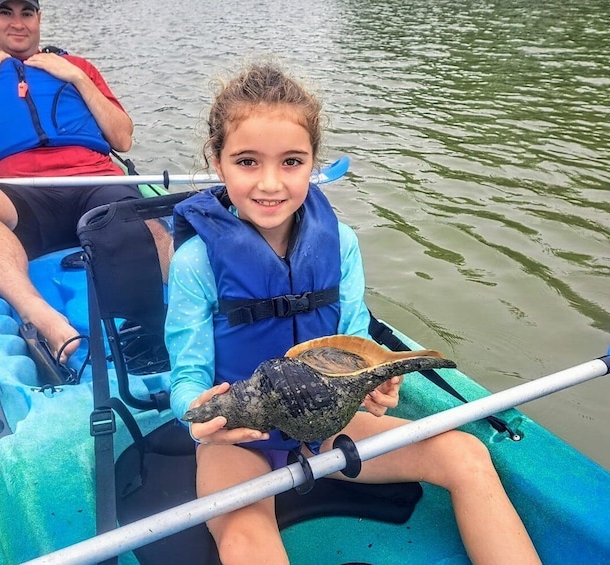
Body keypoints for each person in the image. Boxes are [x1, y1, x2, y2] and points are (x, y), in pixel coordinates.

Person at [165, 63, 542, 565]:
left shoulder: (339, 244)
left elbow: (354, 343)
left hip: (329, 425)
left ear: (314, 163)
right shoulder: (196, 263)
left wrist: (377, 383)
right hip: (242, 438)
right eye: (248, 162)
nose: (271, 183)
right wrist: (202, 422)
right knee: (246, 538)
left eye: (292, 162)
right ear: (218, 163)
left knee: (466, 455)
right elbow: (187, 376)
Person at [0, 0, 139, 363]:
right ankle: (38, 314)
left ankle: (196, 309)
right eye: (5, 13)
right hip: (19, 197)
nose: (18, 24)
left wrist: (76, 77)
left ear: (39, 17)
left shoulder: (78, 67)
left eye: (27, 13)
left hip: (94, 184)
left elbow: (122, 138)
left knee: (146, 219)